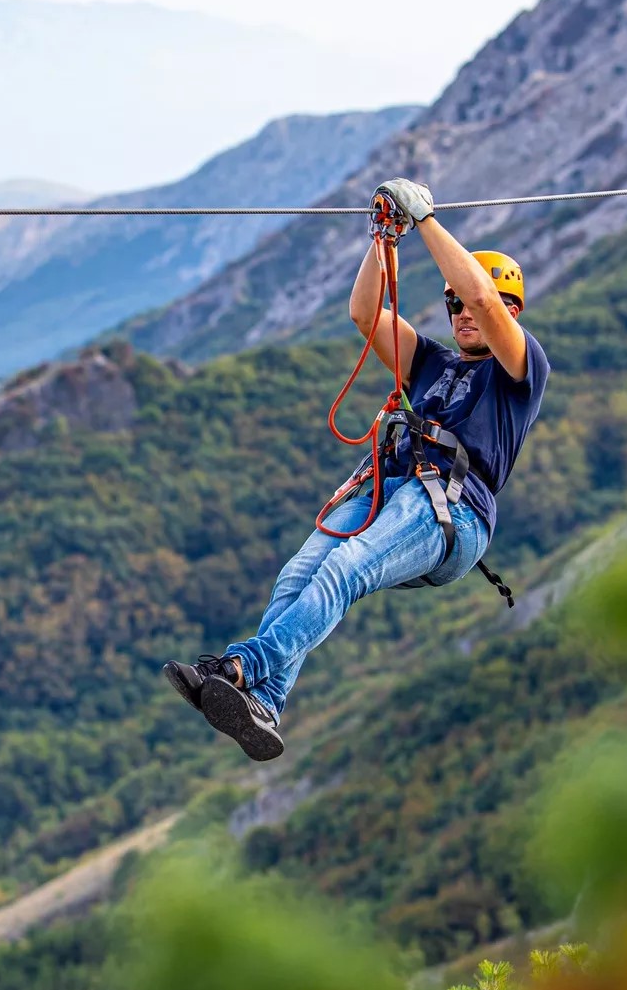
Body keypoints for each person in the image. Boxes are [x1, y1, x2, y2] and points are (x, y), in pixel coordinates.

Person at [163, 177, 551, 760]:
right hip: (397, 486)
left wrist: (424, 221)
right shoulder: (432, 362)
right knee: (298, 576)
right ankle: (266, 702)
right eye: (451, 305)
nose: (461, 313)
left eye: (468, 304)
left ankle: (245, 665)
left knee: (346, 567)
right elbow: (365, 312)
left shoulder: (519, 369)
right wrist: (381, 240)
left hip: (452, 507)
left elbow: (483, 299)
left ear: (511, 311)